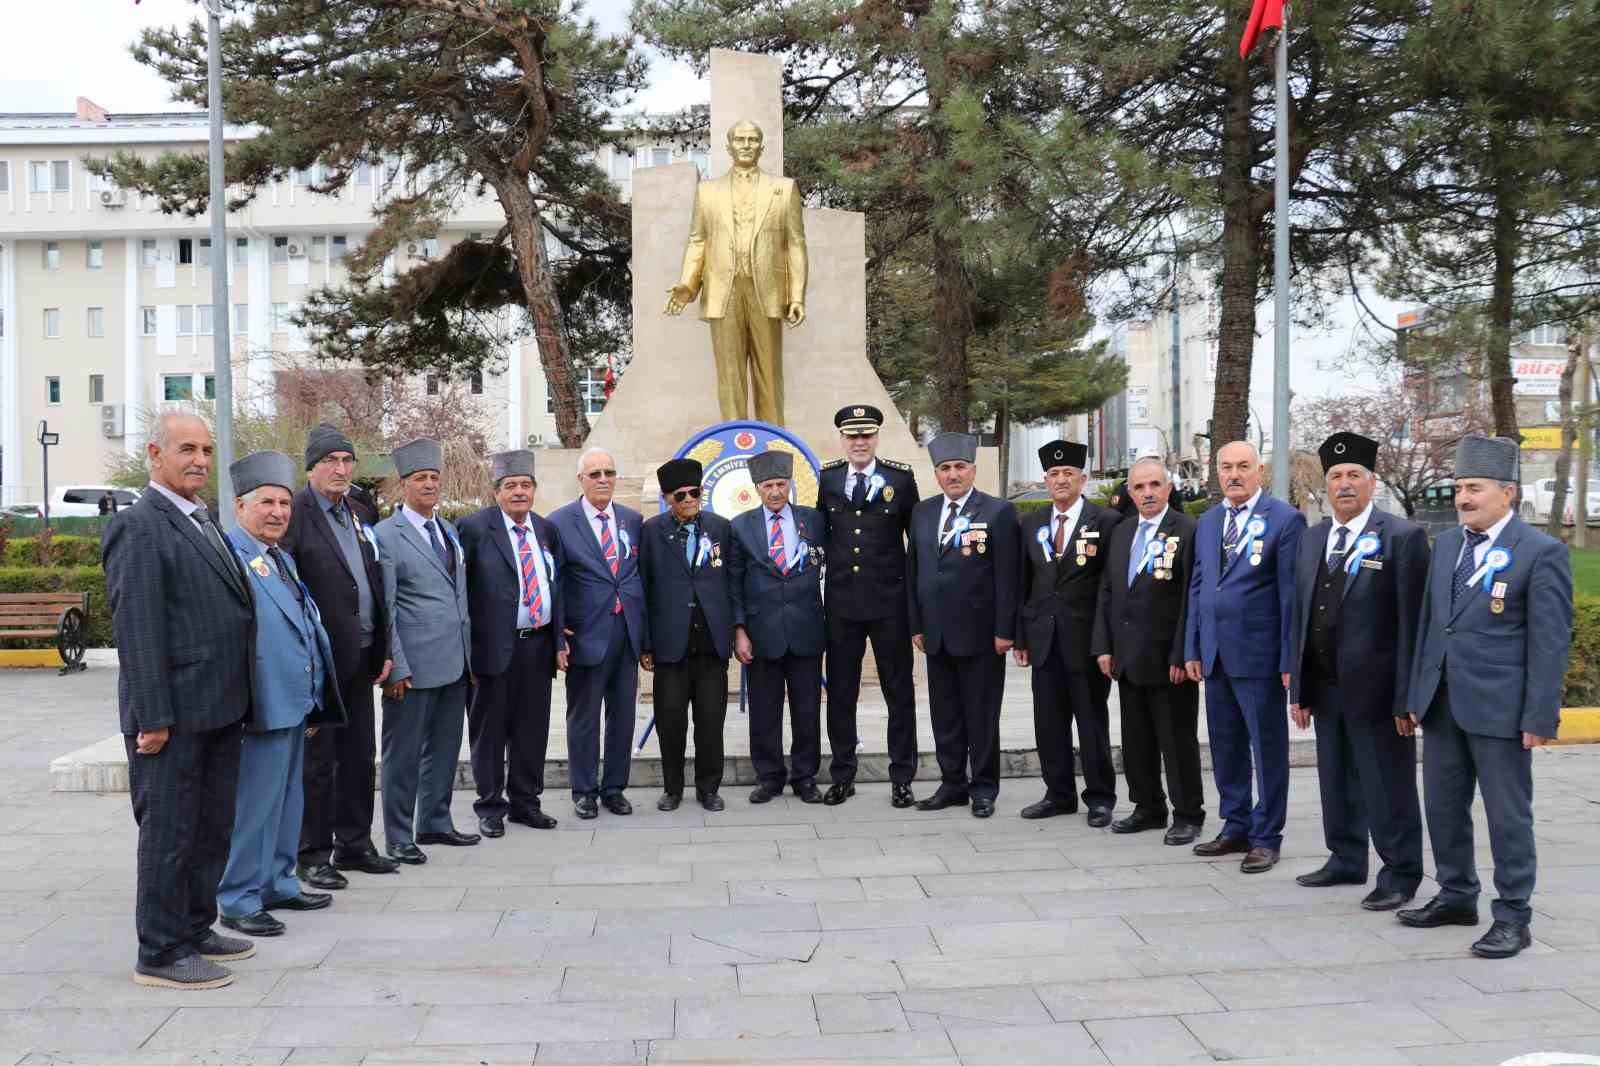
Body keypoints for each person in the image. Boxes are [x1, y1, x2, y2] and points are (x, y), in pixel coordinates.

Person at [1399, 435, 1572, 959]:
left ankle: (1513, 916)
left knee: (1506, 815)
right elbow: (1431, 625)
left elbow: (1549, 641)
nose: (1463, 499)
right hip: (1443, 701)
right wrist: (1415, 693)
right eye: (1458, 489)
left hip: (1500, 708)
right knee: (1444, 807)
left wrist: (1540, 713)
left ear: (1508, 493)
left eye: (1474, 488)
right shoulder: (1447, 544)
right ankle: (1456, 894)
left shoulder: (1541, 552)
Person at [103, 412, 256, 989]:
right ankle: (161, 952)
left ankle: (195, 926)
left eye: (207, 450)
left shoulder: (203, 519)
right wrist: (153, 719)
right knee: (169, 832)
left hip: (218, 708)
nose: (199, 460)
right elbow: (137, 630)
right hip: (173, 718)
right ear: (155, 454)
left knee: (210, 827)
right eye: (187, 448)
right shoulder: (140, 525)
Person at [1288, 433, 1428, 911]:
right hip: (1326, 685)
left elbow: (1414, 622)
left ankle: (1401, 872)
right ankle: (1346, 857)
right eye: (1335, 476)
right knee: (1337, 778)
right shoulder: (1314, 538)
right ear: (1325, 484)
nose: (1344, 485)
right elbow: (1301, 615)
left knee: (1387, 782)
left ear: (1372, 481)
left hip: (1380, 689)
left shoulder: (1402, 537)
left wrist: (1407, 696)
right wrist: (1299, 686)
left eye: (1354, 476)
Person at [218, 451, 346, 937]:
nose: (277, 512)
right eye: (266, 502)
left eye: (284, 503)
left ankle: (277, 881)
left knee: (288, 801)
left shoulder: (281, 557)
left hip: (294, 702)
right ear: (240, 506)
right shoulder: (231, 557)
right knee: (254, 806)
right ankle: (237, 897)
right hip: (260, 706)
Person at [281, 424, 398, 889]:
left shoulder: (358, 511)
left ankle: (355, 842)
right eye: (330, 461)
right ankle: (312, 853)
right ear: (311, 466)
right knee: (318, 759)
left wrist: (384, 648)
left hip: (363, 653)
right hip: (320, 660)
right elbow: (287, 585)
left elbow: (371, 582)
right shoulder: (295, 512)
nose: (341, 469)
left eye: (347, 461)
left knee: (358, 754)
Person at [1184, 440, 1305, 873]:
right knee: (1226, 746)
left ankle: (1266, 835)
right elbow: (1199, 587)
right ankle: (1235, 824)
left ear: (1259, 471)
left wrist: (1291, 658)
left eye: (1243, 466)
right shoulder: (1210, 521)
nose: (1233, 474)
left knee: (1266, 748)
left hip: (1260, 655)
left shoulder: (1285, 520)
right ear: (1216, 472)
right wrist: (1192, 645)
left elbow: (1291, 596)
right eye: (1225, 467)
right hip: (1215, 654)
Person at [906, 432, 1020, 819]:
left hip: (982, 634)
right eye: (945, 468)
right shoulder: (922, 512)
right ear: (936, 473)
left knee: (981, 715)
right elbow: (915, 571)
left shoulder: (998, 512)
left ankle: (984, 787)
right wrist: (916, 624)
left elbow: (1008, 576)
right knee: (946, 715)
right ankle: (952, 783)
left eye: (959, 467)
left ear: (972, 469)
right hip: (936, 635)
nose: (952, 474)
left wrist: (1006, 630)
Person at [375, 438, 479, 864]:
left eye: (434, 477)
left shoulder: (448, 530)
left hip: (454, 663)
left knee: (444, 748)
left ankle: (434, 821)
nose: (430, 485)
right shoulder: (386, 535)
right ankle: (399, 834)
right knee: (402, 755)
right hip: (413, 667)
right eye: (421, 478)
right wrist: (396, 666)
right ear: (404, 486)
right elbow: (388, 607)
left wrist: (469, 658)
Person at [663, 119, 808, 424]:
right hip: (722, 292)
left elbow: (795, 245)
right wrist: (688, 285)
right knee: (730, 378)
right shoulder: (707, 192)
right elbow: (697, 240)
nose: (745, 145)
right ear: (729, 147)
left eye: (752, 140)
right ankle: (735, 443)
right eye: (739, 140)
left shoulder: (783, 188)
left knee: (768, 374)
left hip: (765, 292)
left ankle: (774, 446)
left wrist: (796, 296)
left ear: (761, 146)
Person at [1092, 457, 1205, 845]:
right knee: (1136, 739)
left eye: (1155, 485)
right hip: (1127, 656)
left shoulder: (1188, 531)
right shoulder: (1122, 532)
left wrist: (1182, 653)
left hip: (1168, 659)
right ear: (1130, 492)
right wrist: (1103, 645)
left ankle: (1188, 812)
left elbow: (1192, 598)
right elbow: (1108, 592)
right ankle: (1147, 807)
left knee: (1177, 741)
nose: (1148, 493)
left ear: (1169, 488)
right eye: (1139, 487)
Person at [457, 450, 567, 838]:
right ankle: (490, 806)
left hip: (536, 647)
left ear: (534, 489)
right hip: (492, 649)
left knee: (531, 729)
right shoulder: (473, 528)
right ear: (496, 491)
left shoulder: (546, 530)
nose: (519, 492)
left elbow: (557, 586)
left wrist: (558, 641)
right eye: (511, 486)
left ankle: (526, 803)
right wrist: (466, 653)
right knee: (489, 731)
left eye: (525, 485)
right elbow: (461, 593)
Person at [1014, 440, 1124, 825]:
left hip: (1087, 642)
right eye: (1054, 474)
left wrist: (1106, 643)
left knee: (1091, 722)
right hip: (1043, 641)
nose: (1061, 480)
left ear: (1084, 478)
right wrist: (1021, 637)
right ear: (1045, 480)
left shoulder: (1106, 522)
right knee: (1049, 723)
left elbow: (1111, 589)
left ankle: (1100, 798)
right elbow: (1024, 584)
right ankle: (1058, 794)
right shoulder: (1031, 522)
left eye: (1068, 474)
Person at [817, 404, 921, 807]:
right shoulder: (827, 479)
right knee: (842, 692)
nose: (859, 443)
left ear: (876, 437)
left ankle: (902, 776)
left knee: (899, 691)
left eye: (866, 435)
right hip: (842, 604)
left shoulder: (900, 478)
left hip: (889, 603)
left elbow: (916, 543)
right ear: (842, 440)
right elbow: (820, 537)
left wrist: (915, 604)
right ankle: (843, 774)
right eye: (852, 436)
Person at [549, 448, 648, 819]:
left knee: (623, 717)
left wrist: (646, 640)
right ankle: (584, 790)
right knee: (584, 717)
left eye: (609, 472)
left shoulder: (632, 521)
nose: (603, 479)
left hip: (626, 635)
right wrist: (558, 635)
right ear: (580, 480)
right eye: (595, 474)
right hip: (585, 637)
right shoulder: (559, 523)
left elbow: (641, 579)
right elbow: (554, 582)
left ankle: (614, 788)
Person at [728, 449, 826, 802]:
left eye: (780, 484)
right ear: (757, 488)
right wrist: (739, 631)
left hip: (806, 629)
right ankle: (769, 776)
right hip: (761, 632)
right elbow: (734, 581)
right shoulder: (740, 526)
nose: (774, 492)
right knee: (764, 709)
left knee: (807, 709)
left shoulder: (813, 521)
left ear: (790, 485)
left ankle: (805, 777)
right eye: (768, 485)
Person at [640, 458, 735, 811]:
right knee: (671, 720)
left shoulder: (721, 528)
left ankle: (709, 788)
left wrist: (736, 631)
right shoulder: (651, 532)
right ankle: (673, 789)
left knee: (710, 721)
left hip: (711, 643)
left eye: (695, 493)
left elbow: (733, 583)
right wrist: (646, 643)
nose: (690, 500)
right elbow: (645, 588)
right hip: (669, 645)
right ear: (668, 499)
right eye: (681, 495)